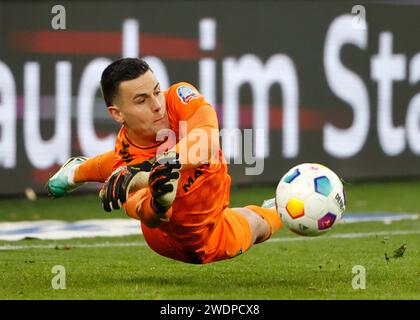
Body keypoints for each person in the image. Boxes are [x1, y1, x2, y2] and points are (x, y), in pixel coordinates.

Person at [46, 57, 282, 264]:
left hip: (208, 207)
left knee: (131, 165)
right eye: (141, 101)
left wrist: (153, 167)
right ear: (117, 113)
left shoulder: (178, 98)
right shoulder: (124, 169)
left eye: (157, 91)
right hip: (196, 240)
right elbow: (149, 215)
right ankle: (279, 210)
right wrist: (159, 202)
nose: (157, 106)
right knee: (259, 223)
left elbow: (208, 141)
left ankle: (75, 172)